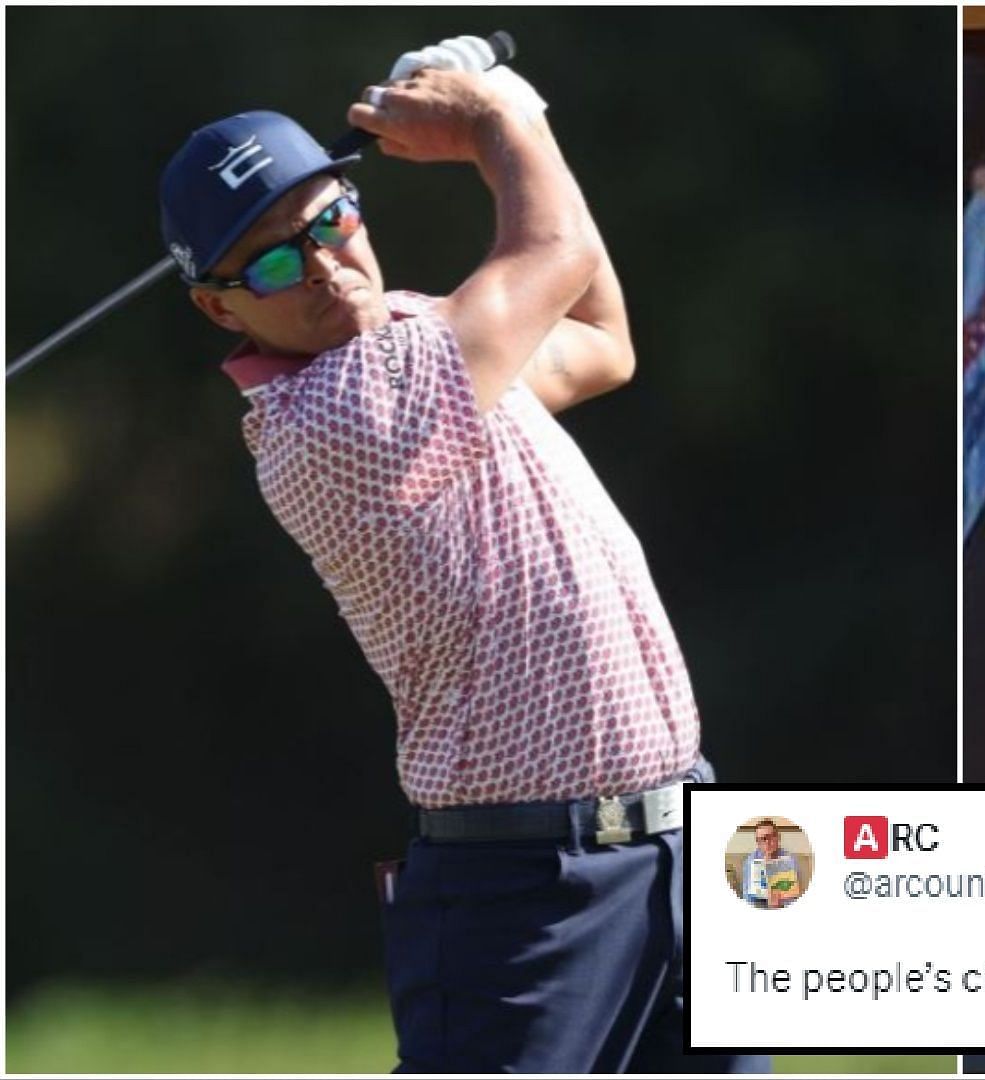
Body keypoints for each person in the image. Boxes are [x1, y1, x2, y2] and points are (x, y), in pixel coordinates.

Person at [158, 47, 762, 1073]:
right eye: (267, 263)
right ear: (220, 308)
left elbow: (600, 338)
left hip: (693, 848)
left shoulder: (429, 334)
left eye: (331, 218)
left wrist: (515, 129)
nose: (322, 266)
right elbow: (555, 247)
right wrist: (496, 123)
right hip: (529, 894)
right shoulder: (329, 421)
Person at [737, 819, 805, 909]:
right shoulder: (750, 861)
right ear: (757, 842)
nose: (767, 842)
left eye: (770, 837)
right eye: (762, 839)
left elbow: (794, 895)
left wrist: (779, 905)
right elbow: (747, 897)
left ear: (778, 837)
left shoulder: (790, 860)